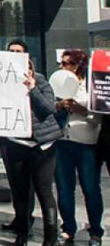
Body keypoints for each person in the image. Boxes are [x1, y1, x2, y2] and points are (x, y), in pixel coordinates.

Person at [0, 57, 62, 246]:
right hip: (17, 142)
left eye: (25, 65)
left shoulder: (41, 80)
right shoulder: (3, 84)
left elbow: (49, 108)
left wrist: (32, 89)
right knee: (21, 192)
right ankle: (22, 234)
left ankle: (50, 238)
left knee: (44, 192)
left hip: (42, 145)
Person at [55, 49, 103, 246]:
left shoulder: (91, 87)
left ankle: (95, 231)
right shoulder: (58, 83)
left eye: (66, 63)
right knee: (64, 188)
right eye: (61, 63)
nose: (61, 66)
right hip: (63, 142)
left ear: (77, 66)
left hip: (86, 143)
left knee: (90, 188)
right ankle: (68, 228)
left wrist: (81, 110)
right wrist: (59, 106)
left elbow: (100, 116)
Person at [0, 39, 36, 235]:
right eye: (11, 51)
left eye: (18, 51)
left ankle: (27, 221)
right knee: (15, 183)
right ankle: (19, 218)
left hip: (30, 141)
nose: (14, 54)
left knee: (28, 185)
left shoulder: (36, 79)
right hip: (9, 140)